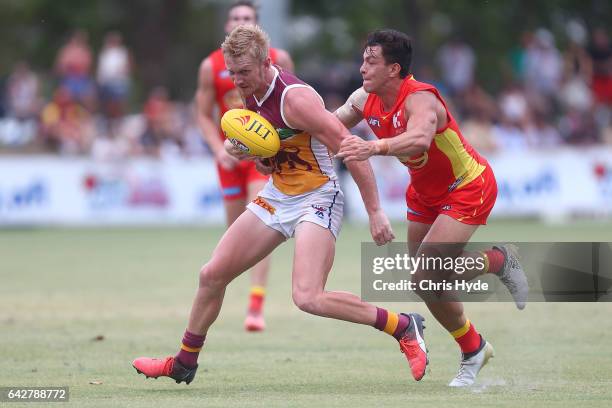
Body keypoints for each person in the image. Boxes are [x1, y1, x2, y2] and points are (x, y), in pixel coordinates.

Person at [133, 25, 429, 385]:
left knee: (307, 297)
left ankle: (403, 326)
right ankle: (184, 362)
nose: (237, 81)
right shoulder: (250, 93)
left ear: (264, 63)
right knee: (212, 275)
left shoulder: (295, 99)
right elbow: (273, 157)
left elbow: (350, 146)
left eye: (244, 72)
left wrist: (374, 211)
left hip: (319, 195)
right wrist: (252, 154)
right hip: (278, 194)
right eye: (232, 72)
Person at [335, 29, 529, 387]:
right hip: (425, 194)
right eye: (363, 59)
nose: (363, 67)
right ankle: (475, 346)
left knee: (426, 276)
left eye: (371, 61)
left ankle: (499, 262)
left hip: (467, 185)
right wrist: (277, 137)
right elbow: (327, 124)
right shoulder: (365, 98)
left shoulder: (420, 100)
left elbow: (420, 138)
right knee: (427, 284)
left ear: (393, 69)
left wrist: (373, 149)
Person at [195, 0, 294, 331]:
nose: (240, 22)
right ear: (227, 25)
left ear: (258, 27)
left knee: (260, 223)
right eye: (235, 17)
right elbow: (202, 113)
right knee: (235, 234)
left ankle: (256, 305)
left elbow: (292, 102)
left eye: (247, 18)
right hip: (229, 156)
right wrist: (216, 148)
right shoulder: (210, 65)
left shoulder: (278, 60)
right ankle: (217, 297)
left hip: (262, 154)